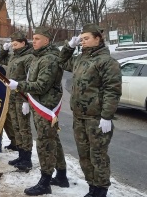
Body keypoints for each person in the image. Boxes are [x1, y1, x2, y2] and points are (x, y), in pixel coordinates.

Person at [59, 24, 121, 197]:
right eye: (81, 39)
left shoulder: (107, 62)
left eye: (86, 38)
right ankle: (92, 186)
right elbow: (62, 61)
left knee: (98, 155)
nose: (83, 42)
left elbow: (112, 90)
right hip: (79, 117)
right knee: (84, 154)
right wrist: (69, 46)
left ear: (97, 39)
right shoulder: (80, 59)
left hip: (97, 118)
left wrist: (107, 116)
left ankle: (101, 190)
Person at [8, 27, 68, 196]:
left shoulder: (49, 59)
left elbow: (41, 85)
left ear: (47, 41)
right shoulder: (38, 56)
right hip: (39, 103)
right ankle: (62, 175)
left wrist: (18, 86)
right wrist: (27, 97)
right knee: (52, 139)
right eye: (33, 38)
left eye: (37, 38)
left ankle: (45, 181)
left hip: (46, 106)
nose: (33, 41)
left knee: (45, 143)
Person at [0, 31, 34, 170]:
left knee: (24, 128)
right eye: (12, 44)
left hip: (21, 97)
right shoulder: (14, 56)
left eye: (15, 44)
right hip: (12, 96)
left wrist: (26, 99)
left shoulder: (28, 57)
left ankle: (27, 158)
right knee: (16, 127)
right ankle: (21, 154)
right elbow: (2, 60)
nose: (13, 46)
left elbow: (29, 79)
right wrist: (4, 50)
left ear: (23, 43)